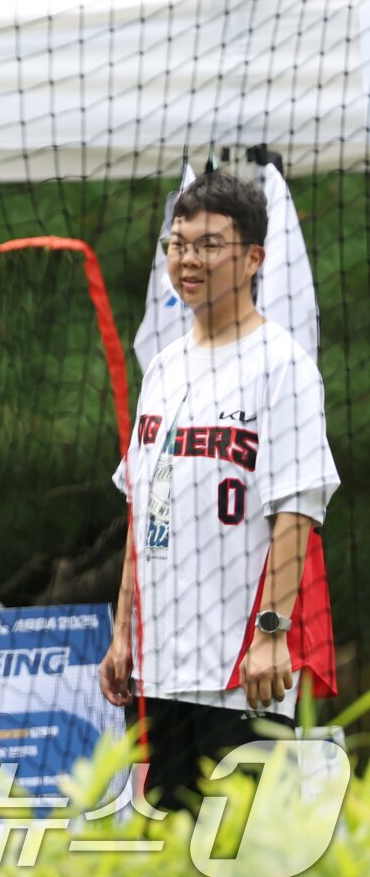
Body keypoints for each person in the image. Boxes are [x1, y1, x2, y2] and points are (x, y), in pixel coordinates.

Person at [99, 172, 340, 811]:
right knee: (168, 853)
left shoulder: (283, 365)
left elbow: (295, 511)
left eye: (208, 245)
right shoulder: (163, 367)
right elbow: (142, 506)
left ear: (253, 257)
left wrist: (272, 633)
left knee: (243, 858)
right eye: (178, 245)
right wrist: (122, 630)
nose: (188, 260)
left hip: (241, 674)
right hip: (160, 670)